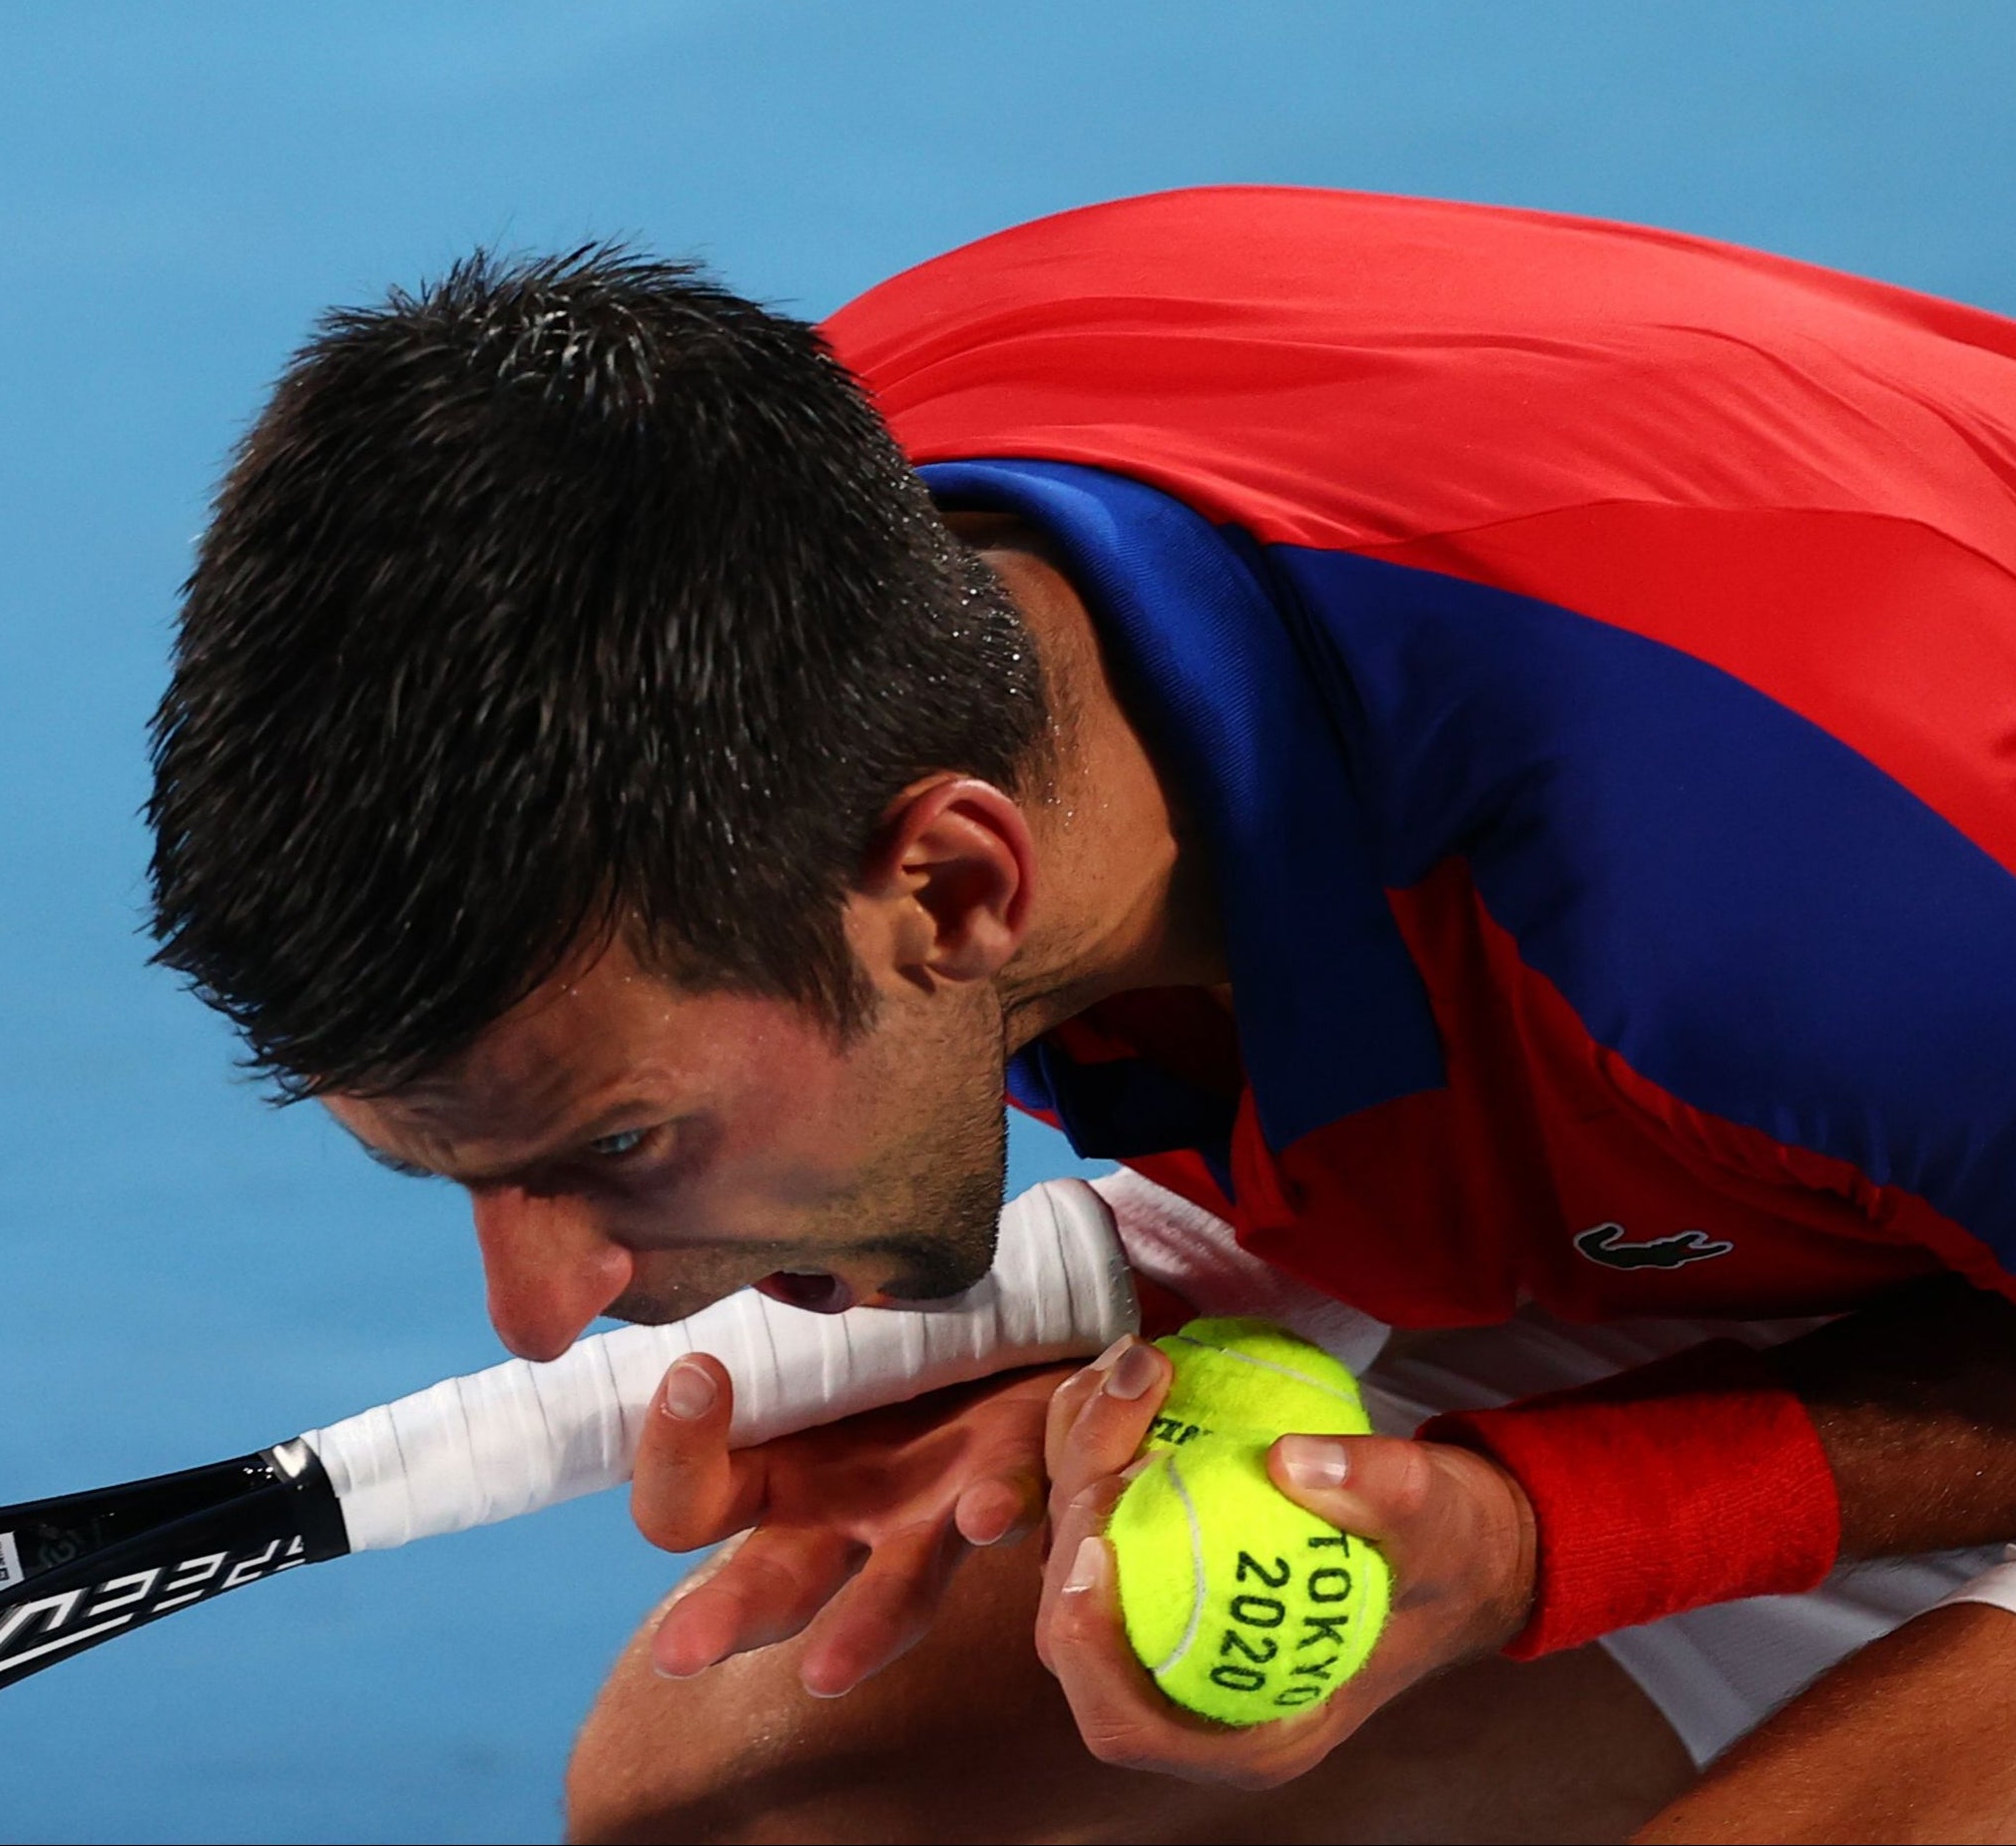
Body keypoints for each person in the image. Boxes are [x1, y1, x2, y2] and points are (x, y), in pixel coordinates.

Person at [142, 189, 2016, 1840]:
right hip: (1833, 1137)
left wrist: (1553, 1527)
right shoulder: (822, 579)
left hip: (1893, 994)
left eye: (616, 1146)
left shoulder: (1794, 866)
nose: (537, 1315)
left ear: (957, 887)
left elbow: (1732, 985)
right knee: (756, 1806)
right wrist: (1218, 1285)